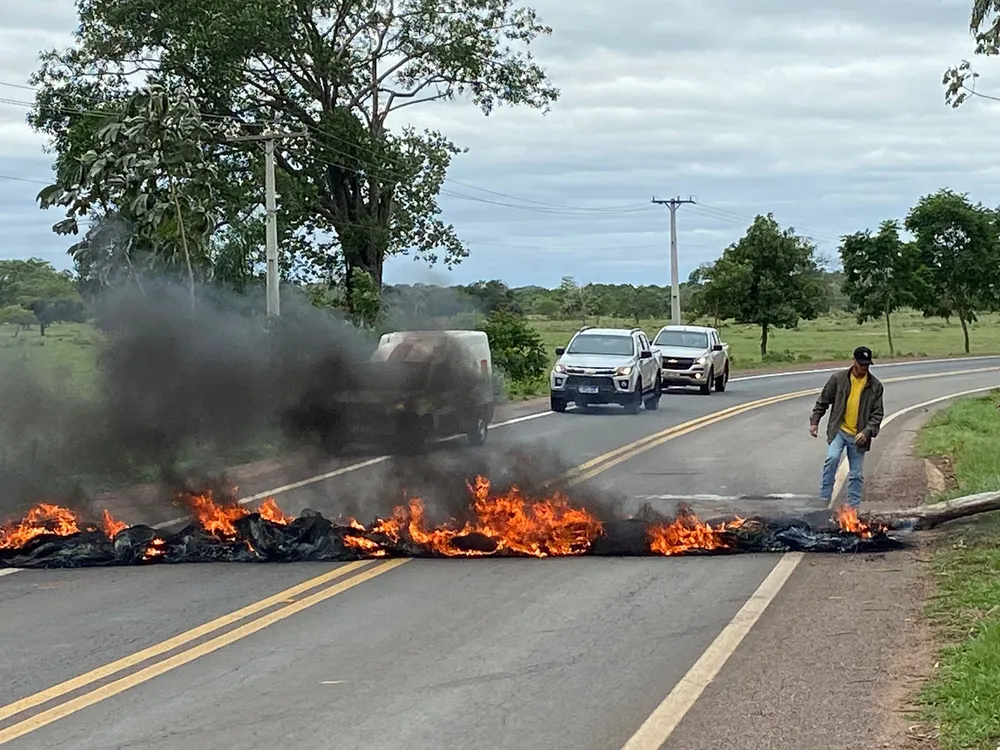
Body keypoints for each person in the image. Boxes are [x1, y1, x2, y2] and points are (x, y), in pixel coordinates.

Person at [808, 346, 885, 507]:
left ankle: (853, 508)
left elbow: (877, 415)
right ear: (854, 361)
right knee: (832, 458)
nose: (864, 368)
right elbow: (823, 401)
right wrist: (815, 421)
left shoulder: (875, 386)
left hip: (859, 436)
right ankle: (824, 498)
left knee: (856, 474)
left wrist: (866, 432)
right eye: (861, 364)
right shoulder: (838, 379)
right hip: (839, 430)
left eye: (867, 365)